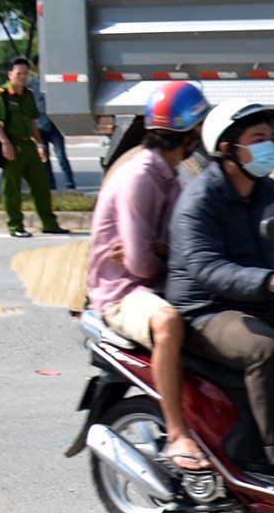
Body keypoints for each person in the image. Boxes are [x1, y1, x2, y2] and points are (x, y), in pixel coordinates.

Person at [166, 101, 274, 501]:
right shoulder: (199, 201)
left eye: (269, 138)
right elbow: (207, 269)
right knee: (265, 349)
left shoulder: (266, 189)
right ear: (227, 148)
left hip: (258, 301)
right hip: (207, 310)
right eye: (258, 139)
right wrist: (269, 279)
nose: (268, 146)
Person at [89, 82, 211, 470]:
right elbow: (141, 264)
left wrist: (164, 250)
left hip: (153, 283)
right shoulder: (139, 176)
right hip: (123, 292)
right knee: (168, 322)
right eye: (198, 130)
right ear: (188, 135)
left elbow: (179, 248)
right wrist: (160, 252)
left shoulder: (169, 178)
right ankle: (177, 434)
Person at [0, 56, 67, 239]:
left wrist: (39, 144)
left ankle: (49, 224)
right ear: (10, 74)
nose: (23, 77)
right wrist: (5, 142)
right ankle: (15, 225)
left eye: (25, 73)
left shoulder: (28, 94)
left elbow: (32, 122)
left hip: (28, 146)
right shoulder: (1, 94)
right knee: (12, 189)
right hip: (12, 145)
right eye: (19, 73)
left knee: (41, 185)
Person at [37, 106, 78, 191]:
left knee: (61, 157)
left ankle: (70, 184)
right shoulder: (34, 97)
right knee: (45, 159)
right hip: (40, 128)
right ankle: (50, 185)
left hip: (55, 127)